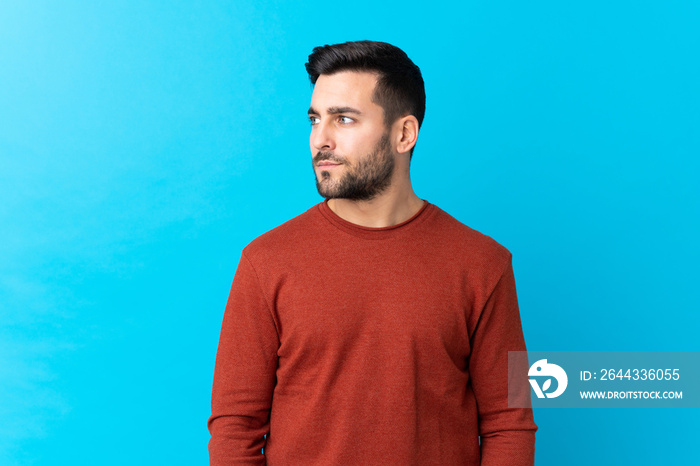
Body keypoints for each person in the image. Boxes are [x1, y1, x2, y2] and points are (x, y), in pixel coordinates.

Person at [207, 40, 537, 465]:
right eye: (315, 119)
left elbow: (509, 421)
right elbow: (236, 427)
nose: (320, 139)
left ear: (404, 134)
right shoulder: (264, 262)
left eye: (343, 119)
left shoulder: (484, 264)